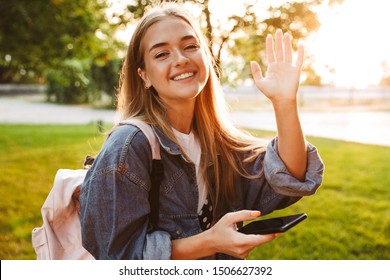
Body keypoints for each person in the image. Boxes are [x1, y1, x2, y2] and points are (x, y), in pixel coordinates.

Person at [79, 3, 324, 260]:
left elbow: (290, 177)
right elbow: (120, 258)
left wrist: (284, 102)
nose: (181, 59)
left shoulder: (215, 144)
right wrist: (210, 242)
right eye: (162, 54)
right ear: (144, 76)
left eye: (190, 46)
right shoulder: (129, 145)